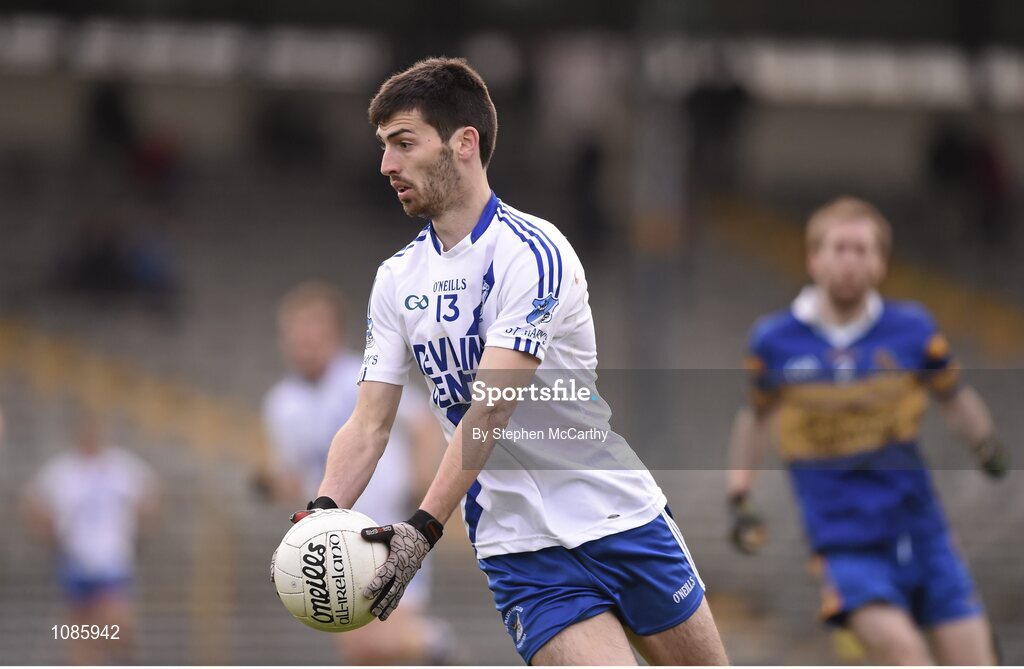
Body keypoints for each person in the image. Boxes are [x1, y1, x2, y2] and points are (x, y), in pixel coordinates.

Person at [290, 57, 728, 666]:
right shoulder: (395, 279)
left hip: (615, 514)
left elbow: (490, 407)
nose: (387, 165)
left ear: (464, 143)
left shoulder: (534, 252)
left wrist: (423, 527)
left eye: (404, 143)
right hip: (518, 548)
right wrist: (322, 513)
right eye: (385, 147)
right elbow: (369, 425)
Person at [726, 196, 1008, 665]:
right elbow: (755, 417)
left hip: (924, 533)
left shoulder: (913, 329)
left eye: (862, 250)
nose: (850, 261)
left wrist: (986, 445)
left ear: (881, 262)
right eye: (839, 248)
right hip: (844, 544)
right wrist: (739, 494)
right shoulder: (775, 341)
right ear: (814, 258)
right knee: (906, 655)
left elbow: (953, 396)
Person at [262, 281, 452, 665]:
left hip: (389, 528)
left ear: (334, 333)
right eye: (296, 331)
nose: (303, 340)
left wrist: (419, 483)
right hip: (335, 540)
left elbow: (423, 426)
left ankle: (436, 645)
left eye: (312, 329)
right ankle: (432, 646)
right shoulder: (281, 404)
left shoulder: (364, 376)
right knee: (359, 650)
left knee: (380, 637)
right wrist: (272, 486)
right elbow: (298, 478)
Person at [21, 410, 160, 665]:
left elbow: (150, 492)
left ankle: (117, 658)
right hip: (76, 559)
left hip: (112, 560)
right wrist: (46, 531)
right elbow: (33, 500)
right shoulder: (63, 469)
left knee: (117, 627)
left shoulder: (120, 465)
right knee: (80, 633)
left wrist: (141, 524)